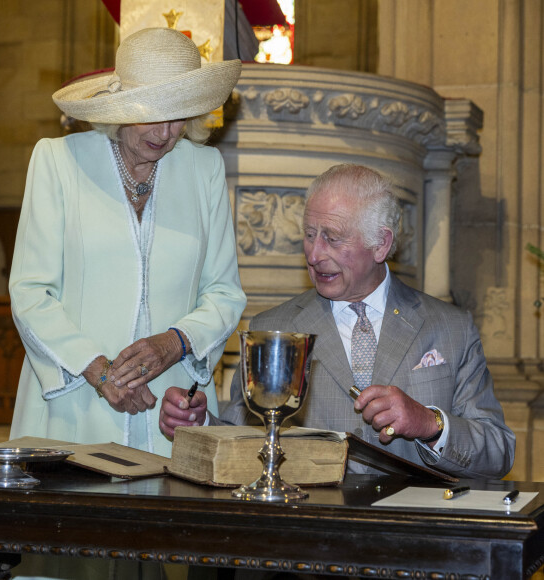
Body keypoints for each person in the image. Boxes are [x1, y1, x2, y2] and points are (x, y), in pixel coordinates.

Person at [8, 29, 246, 579]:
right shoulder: (58, 161)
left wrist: (175, 342)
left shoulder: (203, 170)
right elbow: (31, 291)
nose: (164, 134)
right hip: (70, 403)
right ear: (118, 108)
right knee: (67, 560)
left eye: (177, 116)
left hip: (168, 412)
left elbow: (224, 292)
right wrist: (98, 369)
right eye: (149, 115)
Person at [160, 163, 515, 480]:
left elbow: (498, 451)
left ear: (380, 244)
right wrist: (200, 424)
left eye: (332, 237)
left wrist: (429, 424)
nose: (314, 255)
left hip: (415, 539)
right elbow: (245, 438)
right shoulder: (275, 327)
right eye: (310, 234)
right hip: (309, 536)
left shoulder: (451, 328)